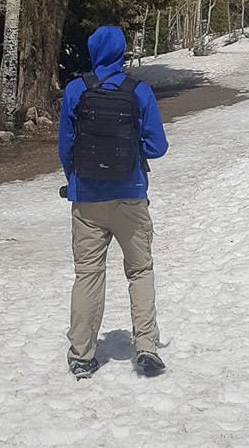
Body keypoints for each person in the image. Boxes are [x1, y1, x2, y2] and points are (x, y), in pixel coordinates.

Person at [57, 25, 169, 379]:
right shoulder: (139, 91)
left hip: (87, 198)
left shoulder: (76, 90)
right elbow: (158, 146)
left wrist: (73, 177)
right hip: (130, 195)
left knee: (88, 274)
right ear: (122, 53)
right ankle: (147, 346)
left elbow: (65, 145)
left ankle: (82, 354)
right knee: (139, 270)